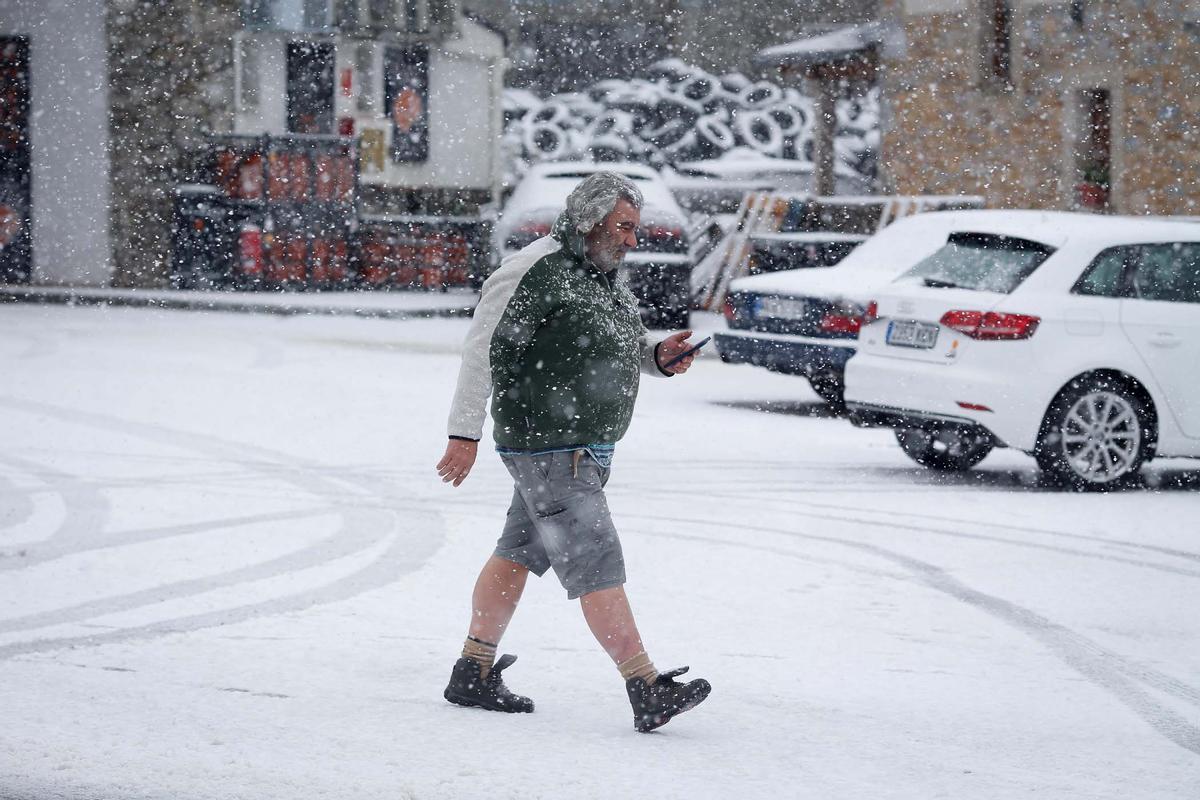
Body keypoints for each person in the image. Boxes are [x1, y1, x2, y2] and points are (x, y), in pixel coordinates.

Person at [435, 171, 711, 732]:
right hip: (551, 448)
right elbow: (482, 349)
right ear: (590, 221)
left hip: (578, 447)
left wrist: (656, 355)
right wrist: (464, 433)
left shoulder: (599, 275)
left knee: (516, 553)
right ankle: (645, 685)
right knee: (597, 561)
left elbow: (613, 345)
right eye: (625, 227)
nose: (634, 239)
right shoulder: (534, 270)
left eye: (636, 228)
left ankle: (473, 669)